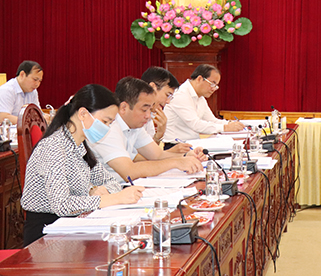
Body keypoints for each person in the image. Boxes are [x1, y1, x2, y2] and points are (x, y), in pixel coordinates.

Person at [20, 84, 144, 246]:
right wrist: (111, 198)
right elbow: (62, 205)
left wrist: (96, 191)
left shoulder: (81, 146)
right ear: (83, 113)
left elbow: (111, 182)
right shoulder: (53, 147)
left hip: (73, 226)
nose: (107, 129)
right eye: (105, 121)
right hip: (45, 234)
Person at [90, 77, 205, 183]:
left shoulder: (135, 124)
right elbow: (129, 172)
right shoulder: (109, 127)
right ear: (124, 107)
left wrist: (187, 156)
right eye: (144, 110)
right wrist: (176, 162)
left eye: (150, 109)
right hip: (110, 191)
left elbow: (157, 155)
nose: (149, 116)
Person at [163, 64, 244, 143]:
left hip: (192, 143)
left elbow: (211, 120)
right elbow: (195, 124)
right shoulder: (181, 95)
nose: (214, 89)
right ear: (199, 79)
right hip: (176, 146)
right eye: (212, 84)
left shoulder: (200, 97)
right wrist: (225, 127)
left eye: (216, 86)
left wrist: (230, 124)